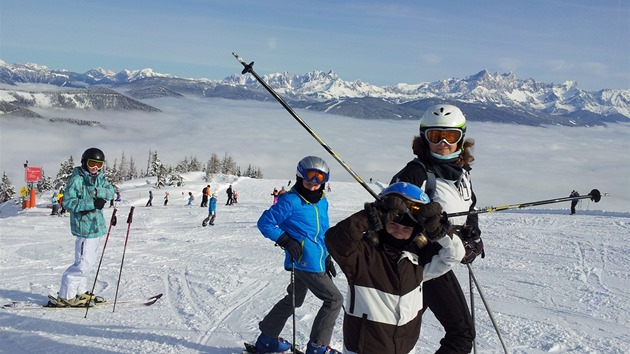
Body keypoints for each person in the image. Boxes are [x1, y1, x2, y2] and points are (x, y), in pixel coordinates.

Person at [325, 182, 465, 354]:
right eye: (393, 225)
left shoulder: (418, 261)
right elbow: (336, 240)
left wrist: (442, 232)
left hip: (406, 349)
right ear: (382, 222)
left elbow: (454, 255)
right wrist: (369, 216)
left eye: (406, 228)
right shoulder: (362, 256)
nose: (399, 232)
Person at [390, 104, 483, 353]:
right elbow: (391, 217)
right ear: (424, 138)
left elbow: (469, 206)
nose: (443, 142)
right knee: (461, 335)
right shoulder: (416, 174)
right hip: (424, 259)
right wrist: (426, 225)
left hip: (444, 255)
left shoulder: (462, 172)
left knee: (400, 331)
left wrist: (471, 234)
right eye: (435, 136)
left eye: (450, 136)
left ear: (462, 138)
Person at [255, 156, 342, 354]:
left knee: (295, 299)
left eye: (318, 183)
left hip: (315, 259)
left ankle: (267, 340)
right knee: (334, 300)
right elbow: (265, 223)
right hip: (304, 261)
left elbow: (322, 232)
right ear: (299, 178)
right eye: (308, 182)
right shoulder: (291, 201)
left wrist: (327, 256)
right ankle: (317, 348)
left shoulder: (322, 201)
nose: (313, 187)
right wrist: (285, 240)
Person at [52, 147, 115, 307]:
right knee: (82, 263)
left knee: (89, 262)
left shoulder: (99, 178)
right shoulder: (77, 180)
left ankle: (80, 291)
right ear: (84, 162)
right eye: (92, 163)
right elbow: (67, 202)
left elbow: (111, 192)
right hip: (84, 228)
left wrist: (98, 193)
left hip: (97, 227)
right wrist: (92, 202)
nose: (95, 168)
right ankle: (66, 295)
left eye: (99, 165)